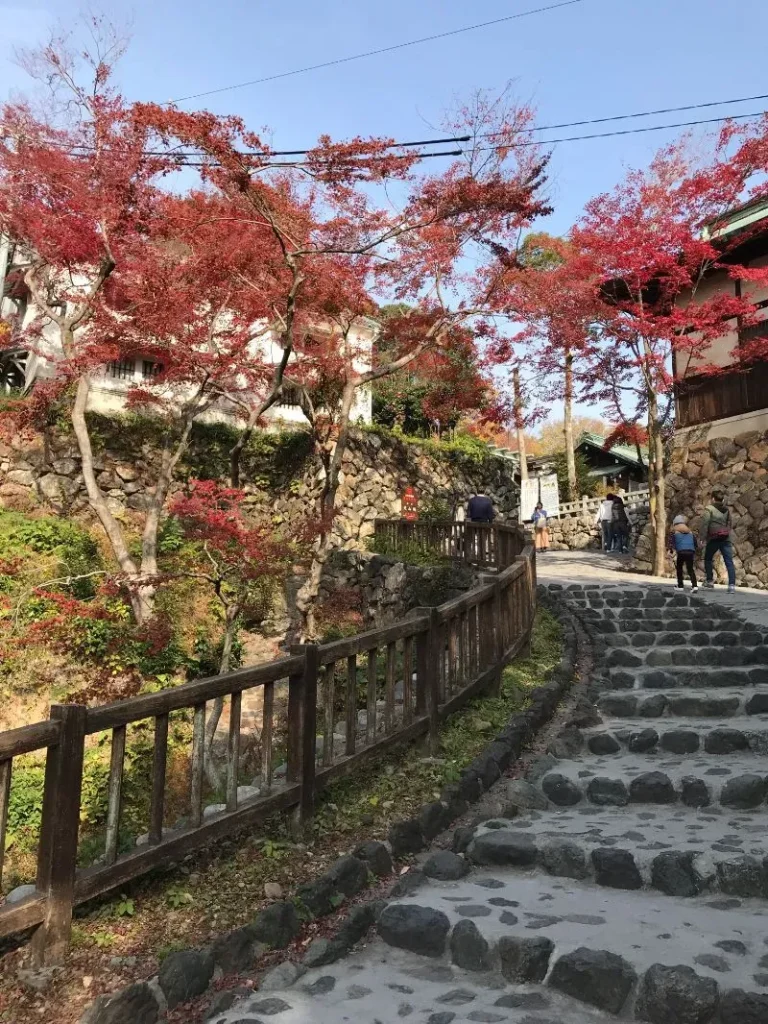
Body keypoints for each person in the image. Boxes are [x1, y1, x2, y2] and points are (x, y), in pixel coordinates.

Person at [700, 489, 736, 593]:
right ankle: (732, 586)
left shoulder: (709, 509)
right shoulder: (727, 510)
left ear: (712, 499)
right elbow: (730, 523)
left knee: (708, 558)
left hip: (713, 538)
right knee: (729, 561)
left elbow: (705, 524)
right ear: (723, 499)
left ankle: (710, 581)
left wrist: (702, 538)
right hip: (726, 538)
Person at [668, 514, 698, 592]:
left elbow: (671, 543)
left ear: (675, 523)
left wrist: (671, 551)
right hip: (690, 551)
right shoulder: (690, 531)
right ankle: (695, 586)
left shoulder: (674, 531)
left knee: (679, 568)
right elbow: (695, 543)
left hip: (681, 552)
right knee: (690, 569)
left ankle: (680, 585)